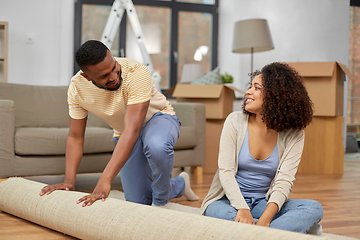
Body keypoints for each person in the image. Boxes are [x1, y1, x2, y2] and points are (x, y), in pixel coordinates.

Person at [40, 40, 198, 207]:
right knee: (138, 202)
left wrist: (105, 179)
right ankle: (180, 185)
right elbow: (75, 137)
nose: (114, 78)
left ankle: (160, 204)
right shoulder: (77, 89)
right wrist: (69, 182)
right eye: (104, 76)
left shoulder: (136, 71)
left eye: (114, 68)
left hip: (159, 119)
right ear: (86, 76)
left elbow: (134, 128)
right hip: (125, 134)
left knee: (156, 145)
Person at [201, 62, 323, 233]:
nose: (248, 92)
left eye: (256, 88)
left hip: (263, 203)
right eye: (250, 86)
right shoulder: (235, 121)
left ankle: (253, 231)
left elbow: (284, 182)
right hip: (228, 201)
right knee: (215, 211)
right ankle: (282, 232)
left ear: (276, 96)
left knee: (313, 208)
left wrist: (265, 219)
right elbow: (225, 171)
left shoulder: (294, 134)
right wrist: (242, 209)